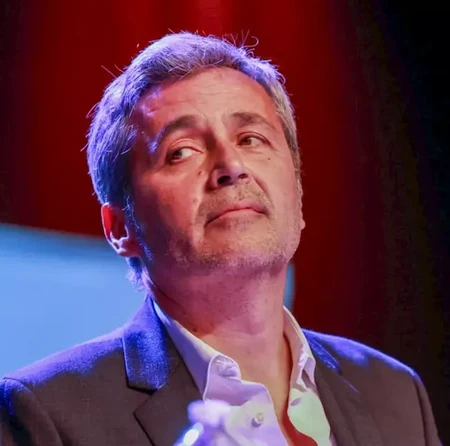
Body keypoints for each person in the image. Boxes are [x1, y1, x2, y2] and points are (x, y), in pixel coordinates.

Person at [0, 32, 441, 446]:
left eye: (252, 139)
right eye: (181, 152)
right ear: (121, 228)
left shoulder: (394, 392)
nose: (231, 166)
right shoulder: (44, 415)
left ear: (299, 194)